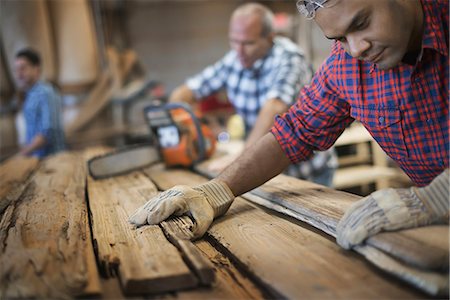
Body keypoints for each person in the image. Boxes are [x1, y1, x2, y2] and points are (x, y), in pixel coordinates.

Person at [130, 0, 449, 250]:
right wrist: (216, 190)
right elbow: (294, 131)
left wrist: (437, 197)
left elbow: (275, 106)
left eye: (361, 23)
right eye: (339, 38)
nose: (357, 49)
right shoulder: (346, 66)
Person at [169, 2, 337, 187]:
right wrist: (178, 122)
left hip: (305, 172)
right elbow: (188, 91)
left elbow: (275, 107)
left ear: (270, 37)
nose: (239, 50)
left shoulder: (289, 59)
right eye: (234, 41)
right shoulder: (235, 59)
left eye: (248, 43)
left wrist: (242, 157)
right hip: (263, 167)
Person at [14, 48, 65, 158]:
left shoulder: (45, 93)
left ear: (36, 69)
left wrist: (25, 152)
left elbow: (47, 133)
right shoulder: (29, 95)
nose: (18, 74)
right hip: (37, 158)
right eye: (16, 69)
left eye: (23, 68)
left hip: (52, 160)